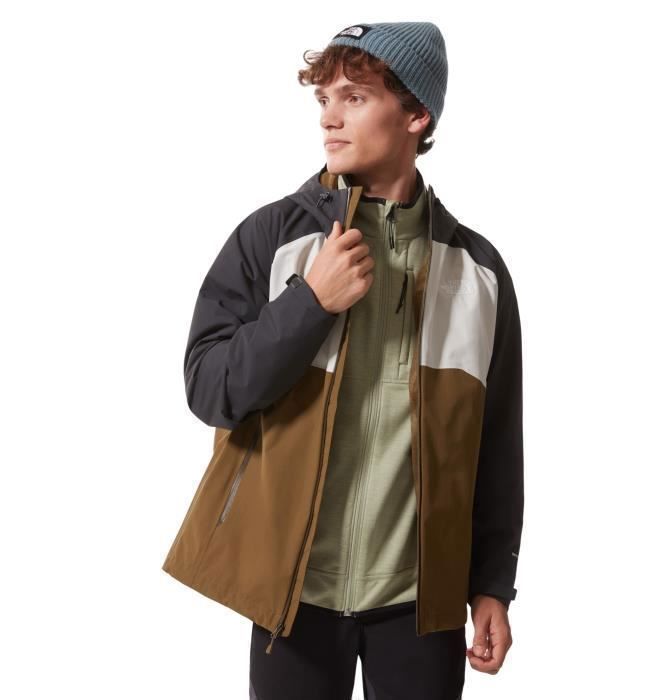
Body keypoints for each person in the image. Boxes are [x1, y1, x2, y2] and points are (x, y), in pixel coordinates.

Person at [162, 21, 524, 700]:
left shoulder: (477, 271)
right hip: (293, 595)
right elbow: (210, 388)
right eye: (324, 98)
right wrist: (311, 303)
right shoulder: (272, 237)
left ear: (417, 115)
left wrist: (492, 585)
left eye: (354, 97)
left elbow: (497, 444)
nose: (329, 117)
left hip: (420, 606)